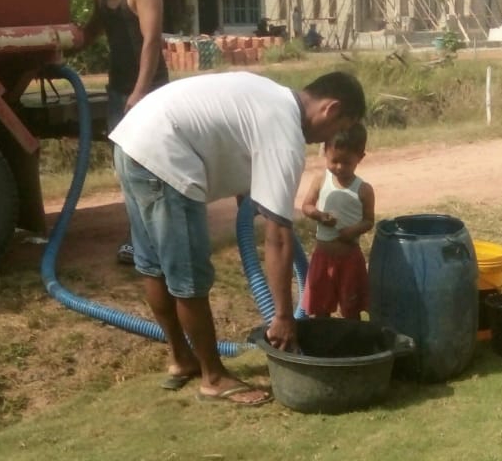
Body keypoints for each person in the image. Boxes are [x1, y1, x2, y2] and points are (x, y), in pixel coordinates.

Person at [110, 71, 367, 406]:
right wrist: (285, 317)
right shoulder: (285, 133)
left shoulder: (271, 96)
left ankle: (182, 358)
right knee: (188, 274)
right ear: (331, 110)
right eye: (338, 127)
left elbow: (232, 145)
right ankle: (213, 377)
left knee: (154, 265)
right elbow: (278, 237)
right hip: (165, 155)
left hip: (133, 140)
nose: (329, 139)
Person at [83, 0, 170, 266]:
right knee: (126, 169)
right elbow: (89, 33)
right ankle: (141, 239)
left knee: (151, 170)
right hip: (119, 91)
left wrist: (140, 92)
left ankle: (158, 242)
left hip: (148, 92)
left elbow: (152, 42)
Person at [300, 123, 375, 319]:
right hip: (323, 258)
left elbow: (369, 220)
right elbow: (306, 206)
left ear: (360, 158)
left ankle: (353, 344)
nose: (339, 167)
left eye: (347, 163)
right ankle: (323, 344)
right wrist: (320, 216)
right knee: (320, 307)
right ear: (325, 152)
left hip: (350, 259)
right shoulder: (320, 180)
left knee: (351, 308)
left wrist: (354, 230)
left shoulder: (364, 189)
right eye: (334, 161)